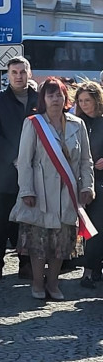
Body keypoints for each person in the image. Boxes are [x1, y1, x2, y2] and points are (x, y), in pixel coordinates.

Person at [13, 77, 94, 300]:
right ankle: (38, 284)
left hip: (68, 193)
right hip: (41, 192)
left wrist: (87, 186)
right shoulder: (33, 123)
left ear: (65, 97)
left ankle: (53, 284)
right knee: (40, 242)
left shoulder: (78, 124)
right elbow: (24, 161)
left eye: (59, 94)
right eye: (51, 95)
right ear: (43, 99)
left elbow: (86, 160)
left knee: (61, 242)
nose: (55, 99)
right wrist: (27, 190)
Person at [0, 56, 38, 280]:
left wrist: (30, 160)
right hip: (6, 169)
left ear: (29, 73)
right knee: (1, 221)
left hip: (35, 168)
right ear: (7, 75)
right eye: (14, 72)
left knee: (28, 220)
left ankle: (25, 263)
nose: (18, 76)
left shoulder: (38, 98)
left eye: (22, 72)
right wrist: (16, 158)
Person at [75, 81, 103, 288]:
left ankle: (92, 268)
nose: (84, 104)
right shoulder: (76, 123)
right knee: (89, 227)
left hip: (101, 180)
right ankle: (89, 269)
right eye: (81, 100)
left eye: (88, 100)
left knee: (98, 226)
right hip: (83, 181)